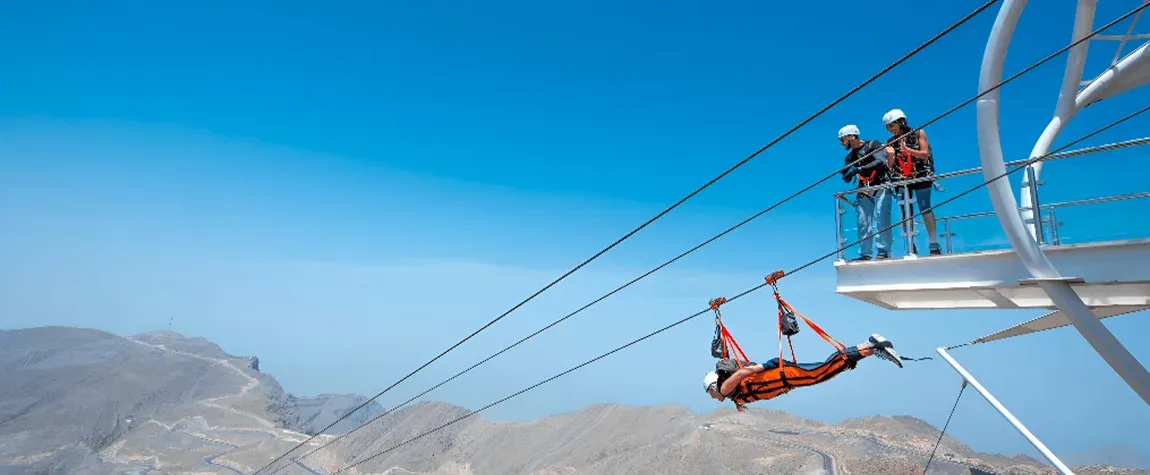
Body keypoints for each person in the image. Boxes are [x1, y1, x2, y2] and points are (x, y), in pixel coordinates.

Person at [703, 334, 903, 411]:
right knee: (823, 372)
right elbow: (745, 393)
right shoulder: (734, 396)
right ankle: (871, 350)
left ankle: (870, 345)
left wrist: (765, 366)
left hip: (781, 376)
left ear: (713, 386)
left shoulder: (725, 388)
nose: (713, 397)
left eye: (710, 393)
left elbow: (740, 374)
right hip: (785, 379)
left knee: (820, 372)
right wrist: (740, 406)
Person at [882, 108, 942, 256]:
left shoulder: (918, 133)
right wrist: (891, 156)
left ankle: (933, 244)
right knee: (905, 212)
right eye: (888, 127)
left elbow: (925, 154)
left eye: (892, 126)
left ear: (901, 122)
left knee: (925, 208)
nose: (890, 130)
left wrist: (907, 150)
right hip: (902, 179)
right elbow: (891, 166)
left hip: (921, 175)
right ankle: (910, 245)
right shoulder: (890, 142)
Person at [839, 124, 894, 261]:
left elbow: (880, 161)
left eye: (842, 140)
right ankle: (865, 253)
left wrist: (858, 169)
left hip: (881, 184)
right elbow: (848, 178)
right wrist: (847, 174)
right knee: (863, 222)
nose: (841, 143)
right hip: (864, 189)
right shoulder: (850, 157)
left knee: (882, 219)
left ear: (851, 136)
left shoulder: (873, 145)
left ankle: (883, 251)